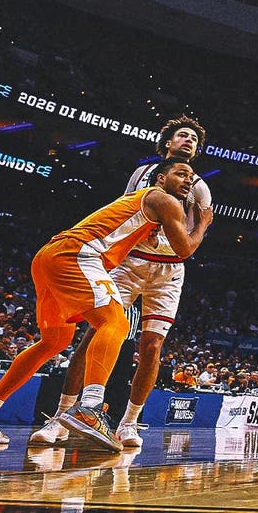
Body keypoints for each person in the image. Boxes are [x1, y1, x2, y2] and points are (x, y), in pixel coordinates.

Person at [0, 160, 210, 451]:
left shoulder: (144, 204)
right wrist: (203, 222)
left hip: (49, 255)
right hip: (78, 255)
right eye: (181, 174)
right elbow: (184, 249)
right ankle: (89, 408)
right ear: (160, 178)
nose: (188, 180)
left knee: (54, 342)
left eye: (191, 176)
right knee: (115, 323)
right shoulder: (164, 200)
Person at [31, 116, 211, 448]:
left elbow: (194, 235)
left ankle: (129, 423)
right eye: (182, 136)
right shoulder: (141, 174)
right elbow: (126, 211)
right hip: (131, 260)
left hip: (169, 269)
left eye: (194, 140)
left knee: (151, 346)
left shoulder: (199, 186)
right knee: (95, 333)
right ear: (167, 143)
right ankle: (62, 416)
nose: (188, 141)